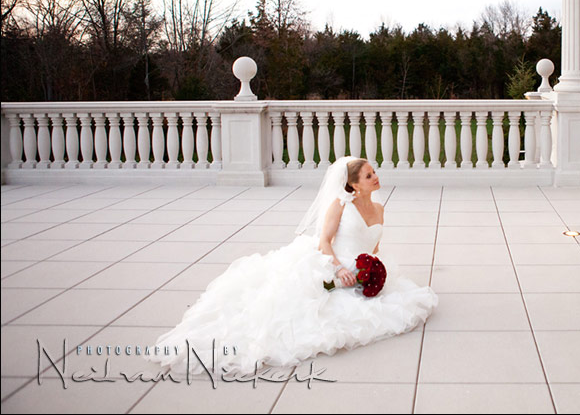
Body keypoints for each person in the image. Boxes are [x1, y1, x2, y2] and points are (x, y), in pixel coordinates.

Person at [147, 156, 438, 374]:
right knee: (301, 313)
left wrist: (372, 270)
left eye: (374, 173)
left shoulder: (379, 208)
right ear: (353, 184)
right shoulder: (340, 205)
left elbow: (374, 247)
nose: (375, 177)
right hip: (332, 263)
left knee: (395, 304)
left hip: (361, 268)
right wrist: (339, 268)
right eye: (368, 175)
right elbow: (324, 240)